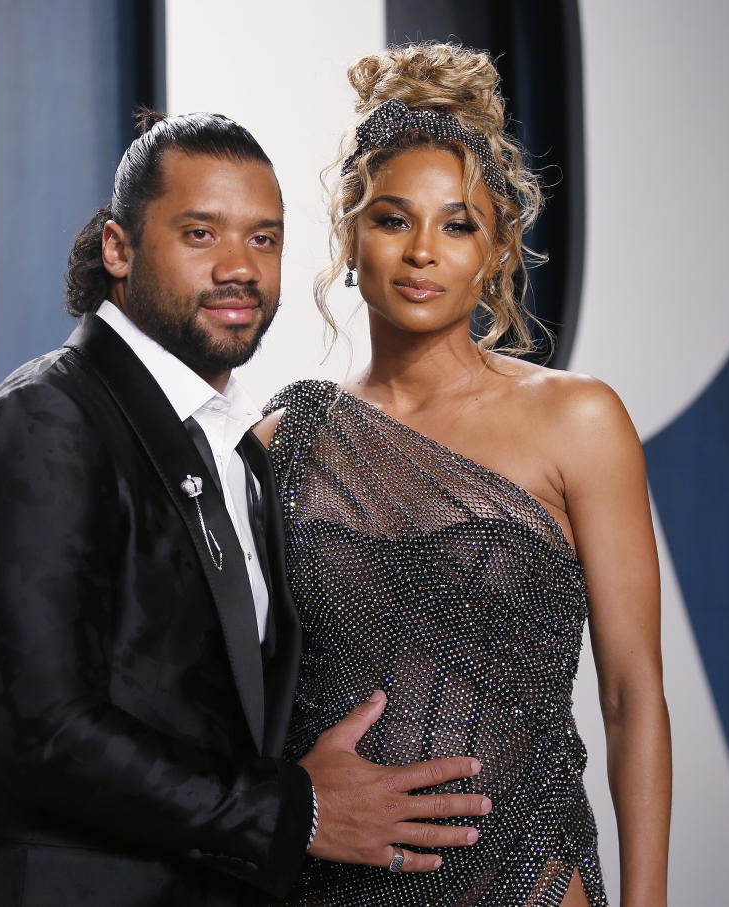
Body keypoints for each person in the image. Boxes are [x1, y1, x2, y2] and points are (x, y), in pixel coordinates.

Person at [0, 110, 492, 907]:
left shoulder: (237, 447)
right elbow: (48, 734)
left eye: (263, 239)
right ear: (118, 247)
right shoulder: (43, 425)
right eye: (201, 234)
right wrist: (298, 810)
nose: (239, 268)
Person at [257, 44, 672, 906]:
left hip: (524, 874)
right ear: (348, 237)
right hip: (331, 880)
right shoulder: (283, 441)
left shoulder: (578, 421)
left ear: (496, 251)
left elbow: (633, 695)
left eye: (456, 224)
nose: (421, 253)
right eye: (390, 218)